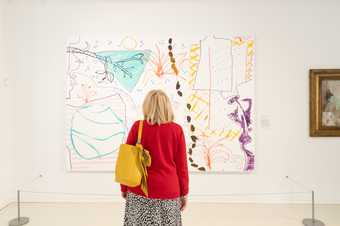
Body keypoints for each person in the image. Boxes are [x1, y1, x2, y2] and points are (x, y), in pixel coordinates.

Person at [121, 89, 189, 226]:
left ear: (147, 106)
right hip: (169, 191)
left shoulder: (137, 127)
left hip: (139, 190)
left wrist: (124, 188)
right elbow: (182, 167)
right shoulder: (176, 130)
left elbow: (126, 162)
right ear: (167, 107)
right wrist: (184, 192)